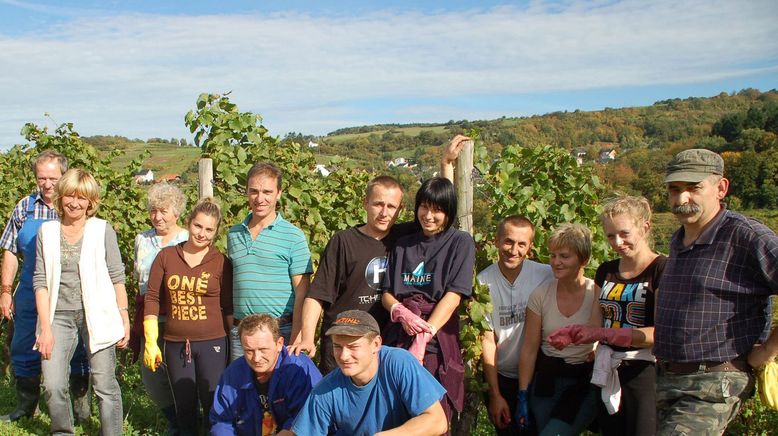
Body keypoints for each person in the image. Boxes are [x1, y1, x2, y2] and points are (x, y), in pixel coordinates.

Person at [654, 149, 778, 435]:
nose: (681, 199)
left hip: (713, 380)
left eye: (693, 188)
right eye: (674, 190)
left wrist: (769, 350)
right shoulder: (680, 238)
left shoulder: (746, 236)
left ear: (721, 188)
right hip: (669, 378)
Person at [549, 196, 665, 436]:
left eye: (624, 234)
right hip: (608, 370)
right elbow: (596, 321)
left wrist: (604, 334)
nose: (617, 242)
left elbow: (659, 333)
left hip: (645, 373)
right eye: (611, 236)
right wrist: (573, 334)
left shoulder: (661, 269)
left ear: (645, 227)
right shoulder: (607, 271)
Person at [33, 168, 129, 435]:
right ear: (61, 197)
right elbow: (40, 281)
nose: (75, 203)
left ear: (91, 202)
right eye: (70, 196)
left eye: (82, 198)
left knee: (104, 384)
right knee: (52, 384)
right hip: (58, 316)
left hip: (97, 314)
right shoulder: (47, 232)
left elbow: (117, 276)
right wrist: (45, 328)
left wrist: (124, 316)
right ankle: (62, 431)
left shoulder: (102, 230)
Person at [290, 175, 417, 374]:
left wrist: (446, 166)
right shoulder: (343, 242)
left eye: (391, 207)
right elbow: (317, 296)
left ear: (400, 210)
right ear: (365, 203)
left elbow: (439, 209)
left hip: (383, 346)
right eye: (378, 204)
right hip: (343, 347)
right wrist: (307, 337)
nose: (384, 213)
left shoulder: (404, 238)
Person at [0, 150, 92, 423]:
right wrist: (6, 291)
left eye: (53, 178)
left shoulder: (75, 207)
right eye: (42, 178)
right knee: (24, 345)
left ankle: (81, 411)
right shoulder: (25, 208)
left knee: (78, 350)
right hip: (30, 289)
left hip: (69, 291)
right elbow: (10, 252)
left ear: (64, 175)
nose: (48, 184)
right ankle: (26, 408)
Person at [381, 176, 476, 429]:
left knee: (431, 416)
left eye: (438, 210)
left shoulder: (460, 243)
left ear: (449, 212)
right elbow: (387, 293)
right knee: (394, 411)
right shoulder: (402, 245)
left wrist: (424, 337)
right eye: (424, 207)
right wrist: (400, 311)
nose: (429, 215)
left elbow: (454, 295)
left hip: (437, 340)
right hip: (398, 338)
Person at [144, 198, 233, 435]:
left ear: (215, 233)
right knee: (184, 406)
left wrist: (232, 341)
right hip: (175, 344)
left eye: (208, 229)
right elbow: (152, 297)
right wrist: (151, 340)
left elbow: (227, 305)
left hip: (213, 342)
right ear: (188, 223)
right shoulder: (166, 257)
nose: (202, 234)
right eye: (198, 226)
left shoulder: (221, 262)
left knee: (212, 401)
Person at [290, 310, 448, 436]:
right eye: (338, 346)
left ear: (376, 344)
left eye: (353, 347)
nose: (344, 356)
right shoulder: (324, 391)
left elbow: (437, 421)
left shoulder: (399, 362)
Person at [517, 223, 599, 436]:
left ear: (584, 259)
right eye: (553, 256)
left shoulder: (597, 293)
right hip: (546, 384)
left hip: (582, 384)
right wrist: (523, 394)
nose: (556, 262)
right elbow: (530, 348)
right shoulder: (541, 295)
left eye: (564, 256)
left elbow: (607, 334)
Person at [227, 162, 312, 360]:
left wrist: (296, 336)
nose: (260, 198)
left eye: (267, 192)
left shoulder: (294, 236)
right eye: (254, 191)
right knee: (241, 390)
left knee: (282, 390)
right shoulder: (233, 234)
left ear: (279, 193)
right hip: (242, 334)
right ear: (247, 192)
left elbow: (302, 292)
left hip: (280, 332)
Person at [478, 215, 552, 435]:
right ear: (496, 240)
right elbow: (487, 339)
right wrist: (495, 394)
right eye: (508, 241)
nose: (513, 250)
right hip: (502, 377)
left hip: (539, 376)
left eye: (522, 244)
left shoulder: (545, 275)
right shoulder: (483, 283)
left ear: (530, 247)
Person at [130, 182, 188, 432]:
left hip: (180, 315)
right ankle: (174, 419)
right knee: (152, 374)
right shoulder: (142, 239)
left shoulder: (187, 238)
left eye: (164, 210)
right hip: (150, 316)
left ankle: (186, 422)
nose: (158, 216)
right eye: (154, 210)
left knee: (181, 372)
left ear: (177, 212)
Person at [210, 313, 322, 435]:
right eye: (249, 351)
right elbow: (222, 422)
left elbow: (308, 419)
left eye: (263, 350)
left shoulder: (299, 369)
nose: (256, 358)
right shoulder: (233, 374)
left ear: (279, 344)